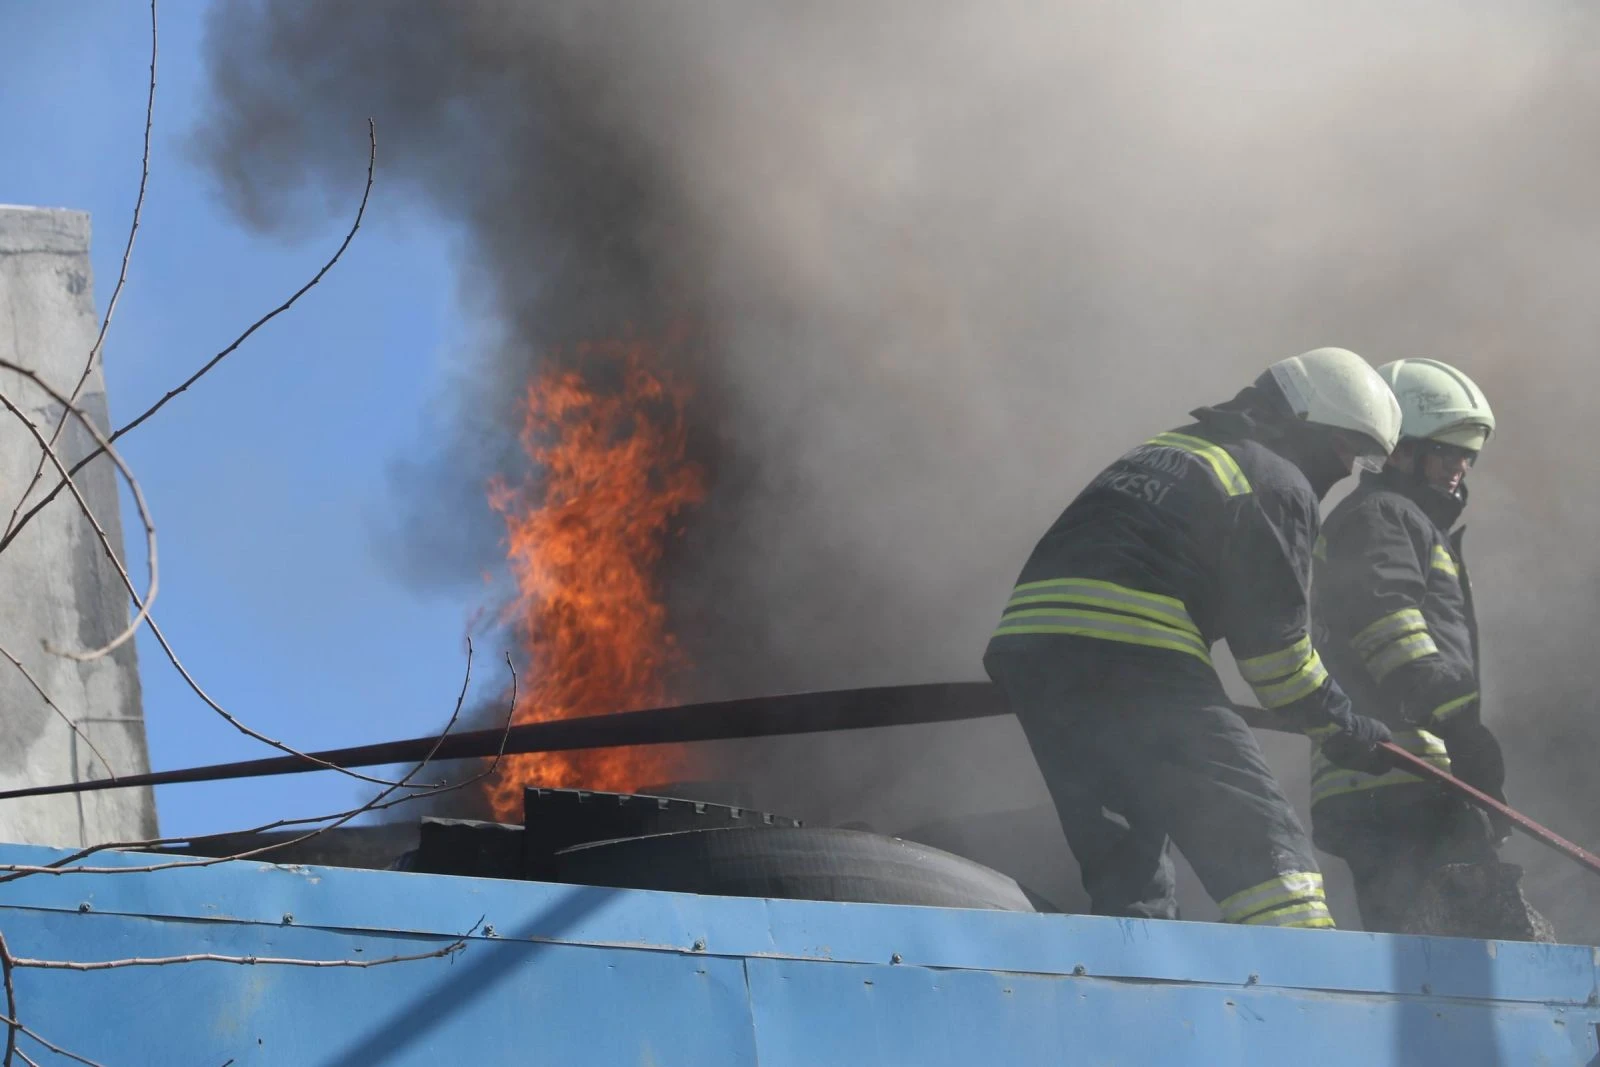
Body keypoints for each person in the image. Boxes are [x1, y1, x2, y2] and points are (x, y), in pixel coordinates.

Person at [983, 348, 1402, 929]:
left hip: (1033, 654)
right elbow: (1277, 661)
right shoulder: (1273, 479)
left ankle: (1139, 985)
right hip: (1133, 657)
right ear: (1308, 424)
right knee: (1269, 858)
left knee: (1128, 868)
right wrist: (1345, 728)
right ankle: (1303, 987)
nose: (1349, 470)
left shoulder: (1171, 448)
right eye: (1344, 450)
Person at [1307, 358, 1510, 934]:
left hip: (1404, 776)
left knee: (1427, 954)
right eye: (1447, 452)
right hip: (1399, 777)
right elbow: (1388, 626)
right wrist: (1459, 724)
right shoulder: (1383, 516)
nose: (1460, 467)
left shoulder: (1406, 521)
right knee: (1447, 954)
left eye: (1468, 454)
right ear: (1400, 449)